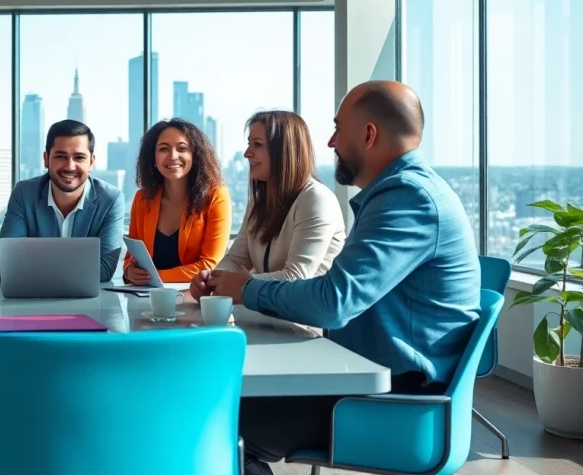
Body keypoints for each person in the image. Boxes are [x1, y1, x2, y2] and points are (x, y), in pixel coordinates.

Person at [191, 81, 481, 475]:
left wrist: (245, 288)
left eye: (337, 128)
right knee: (217, 403)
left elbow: (333, 302)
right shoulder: (402, 192)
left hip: (395, 400)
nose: (330, 142)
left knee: (213, 423)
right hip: (372, 376)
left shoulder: (407, 198)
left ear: (368, 134)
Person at [203, 111, 345, 282]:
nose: (247, 153)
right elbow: (237, 259)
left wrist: (235, 282)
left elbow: (296, 277)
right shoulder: (259, 199)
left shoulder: (316, 200)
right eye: (249, 144)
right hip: (265, 306)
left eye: (257, 144)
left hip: (306, 308)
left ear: (284, 150)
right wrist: (211, 277)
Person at [0, 120, 125, 282]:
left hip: (89, 304)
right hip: (32, 302)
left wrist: (32, 262)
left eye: (79, 157)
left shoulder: (111, 200)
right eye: (61, 156)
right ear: (46, 159)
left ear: (91, 162)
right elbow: (2, 266)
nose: (70, 166)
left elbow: (104, 270)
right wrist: (82, 266)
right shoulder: (24, 194)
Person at [123, 119, 231, 283]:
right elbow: (132, 256)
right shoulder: (142, 198)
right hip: (147, 297)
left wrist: (155, 277)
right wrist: (128, 271)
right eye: (163, 149)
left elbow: (209, 265)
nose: (173, 156)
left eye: (182, 149)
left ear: (195, 155)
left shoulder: (216, 196)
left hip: (196, 299)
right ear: (153, 156)